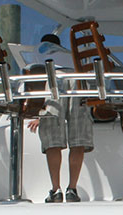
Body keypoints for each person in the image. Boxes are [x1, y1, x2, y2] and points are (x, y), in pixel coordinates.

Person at [27, 34, 94, 202]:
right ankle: (72, 189)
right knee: (77, 140)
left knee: (53, 140)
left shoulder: (39, 50)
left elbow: (35, 76)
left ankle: (56, 190)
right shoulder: (71, 54)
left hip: (53, 80)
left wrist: (39, 114)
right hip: (78, 81)